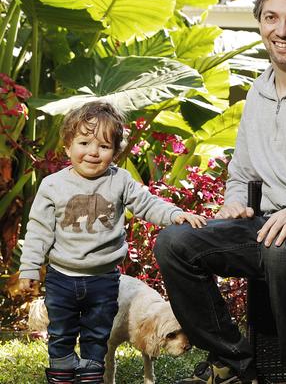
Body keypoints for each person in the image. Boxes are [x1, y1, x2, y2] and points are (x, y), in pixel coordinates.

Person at [154, 0, 286, 384]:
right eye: (271, 17)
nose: (281, 31)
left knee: (281, 246)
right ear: (260, 22)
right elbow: (241, 173)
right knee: (175, 242)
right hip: (267, 224)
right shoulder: (256, 95)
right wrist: (234, 201)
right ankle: (234, 363)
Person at [18, 101, 206, 384]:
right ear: (67, 146)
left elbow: (146, 204)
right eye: (84, 143)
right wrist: (30, 268)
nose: (93, 152)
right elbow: (39, 230)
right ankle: (62, 376)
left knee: (97, 335)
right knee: (61, 334)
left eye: (104, 147)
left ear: (115, 153)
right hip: (62, 279)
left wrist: (174, 214)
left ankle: (93, 378)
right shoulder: (53, 186)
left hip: (104, 281)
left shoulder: (120, 181)